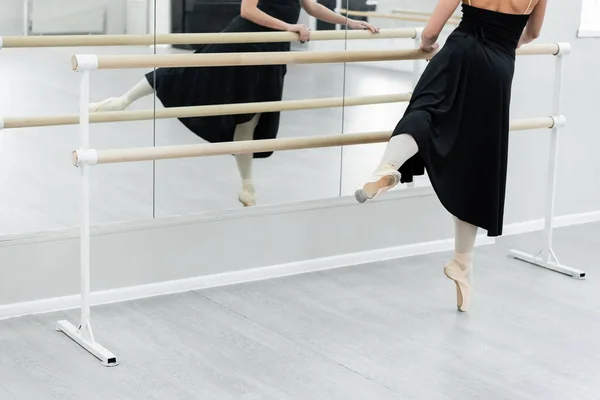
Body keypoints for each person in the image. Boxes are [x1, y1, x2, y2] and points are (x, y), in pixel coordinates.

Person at [354, 0, 547, 312]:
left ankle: (387, 167)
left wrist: (427, 43)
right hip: (498, 65)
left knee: (426, 112)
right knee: (476, 160)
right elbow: (534, 32)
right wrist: (508, 44)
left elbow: (431, 31)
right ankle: (462, 261)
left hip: (457, 53)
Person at [90, 0, 378, 207]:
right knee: (183, 73)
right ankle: (122, 101)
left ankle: (246, 184)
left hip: (272, 52)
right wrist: (289, 26)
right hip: (243, 41)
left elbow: (312, 6)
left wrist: (349, 22)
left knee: (249, 118)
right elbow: (248, 10)